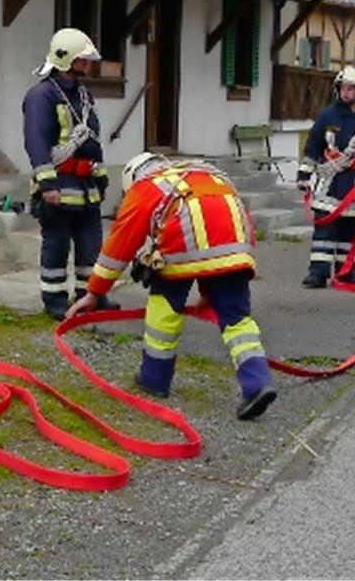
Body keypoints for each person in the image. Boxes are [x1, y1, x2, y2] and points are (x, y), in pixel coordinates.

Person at [65, 153, 278, 420]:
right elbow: (211, 233)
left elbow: (119, 245)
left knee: (163, 308)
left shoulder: (145, 187)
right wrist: (209, 291)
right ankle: (258, 383)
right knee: (237, 319)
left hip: (180, 249)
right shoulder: (207, 174)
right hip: (236, 247)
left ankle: (154, 378)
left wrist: (95, 291)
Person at [22, 28, 117, 320]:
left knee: (91, 244)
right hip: (59, 187)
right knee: (57, 245)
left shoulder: (83, 95)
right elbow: (36, 141)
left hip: (86, 187)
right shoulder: (42, 95)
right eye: (83, 59)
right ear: (66, 59)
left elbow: (93, 142)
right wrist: (47, 184)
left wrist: (100, 179)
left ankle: (91, 296)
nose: (88, 64)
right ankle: (55, 300)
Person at [296, 66, 355, 288]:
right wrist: (303, 174)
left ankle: (346, 271)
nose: (345, 93)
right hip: (329, 182)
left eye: (350, 88)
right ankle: (318, 273)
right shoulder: (327, 115)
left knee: (349, 230)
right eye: (342, 88)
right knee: (324, 228)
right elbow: (313, 146)